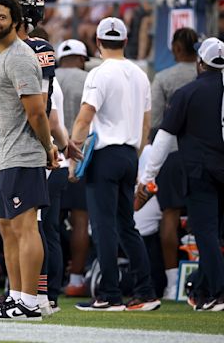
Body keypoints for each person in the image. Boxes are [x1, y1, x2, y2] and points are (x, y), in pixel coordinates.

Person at [0, 0, 59, 321]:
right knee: (7, 227)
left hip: (22, 154)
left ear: (17, 21)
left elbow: (36, 112)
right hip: (2, 155)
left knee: (25, 227)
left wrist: (48, 148)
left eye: (1, 17)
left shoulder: (20, 56)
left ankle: (31, 301)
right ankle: (17, 296)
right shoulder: (4, 55)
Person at [70, 17, 160, 311]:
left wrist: (72, 148)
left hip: (106, 154)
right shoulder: (140, 74)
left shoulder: (98, 73)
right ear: (124, 41)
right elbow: (146, 123)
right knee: (126, 226)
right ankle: (146, 291)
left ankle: (109, 294)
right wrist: (135, 154)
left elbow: (85, 117)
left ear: (98, 43)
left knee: (104, 226)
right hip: (128, 154)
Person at [139, 37, 224, 311]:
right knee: (214, 234)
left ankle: (216, 292)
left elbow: (163, 139)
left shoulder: (187, 93)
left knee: (205, 232)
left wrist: (148, 176)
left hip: (201, 172)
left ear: (201, 62)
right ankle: (201, 288)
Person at [149, 27, 198, 300]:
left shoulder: (165, 77)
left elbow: (155, 121)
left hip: (172, 154)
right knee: (207, 218)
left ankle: (171, 283)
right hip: (205, 156)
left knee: (169, 214)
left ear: (176, 49)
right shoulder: (210, 77)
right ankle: (208, 276)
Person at [55, 39, 90, 296]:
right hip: (78, 156)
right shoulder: (88, 79)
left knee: (47, 222)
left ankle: (47, 276)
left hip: (50, 156)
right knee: (80, 220)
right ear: (81, 58)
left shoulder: (49, 76)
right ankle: (76, 280)